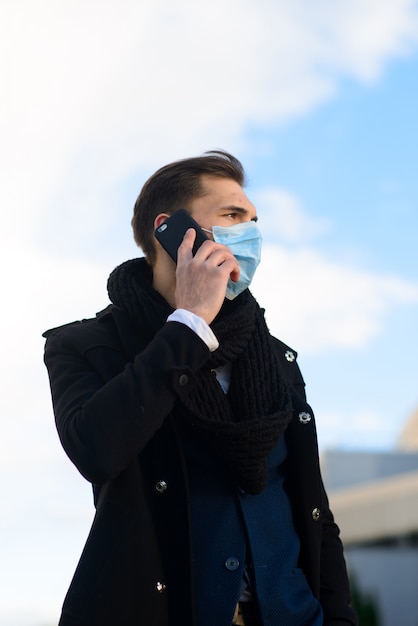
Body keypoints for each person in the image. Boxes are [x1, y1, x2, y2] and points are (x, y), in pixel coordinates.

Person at [43, 150, 358, 626]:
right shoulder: (84, 345)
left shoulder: (276, 357)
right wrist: (188, 324)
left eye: (253, 220)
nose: (249, 233)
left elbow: (314, 510)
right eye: (232, 216)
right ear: (170, 229)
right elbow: (96, 451)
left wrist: (339, 618)